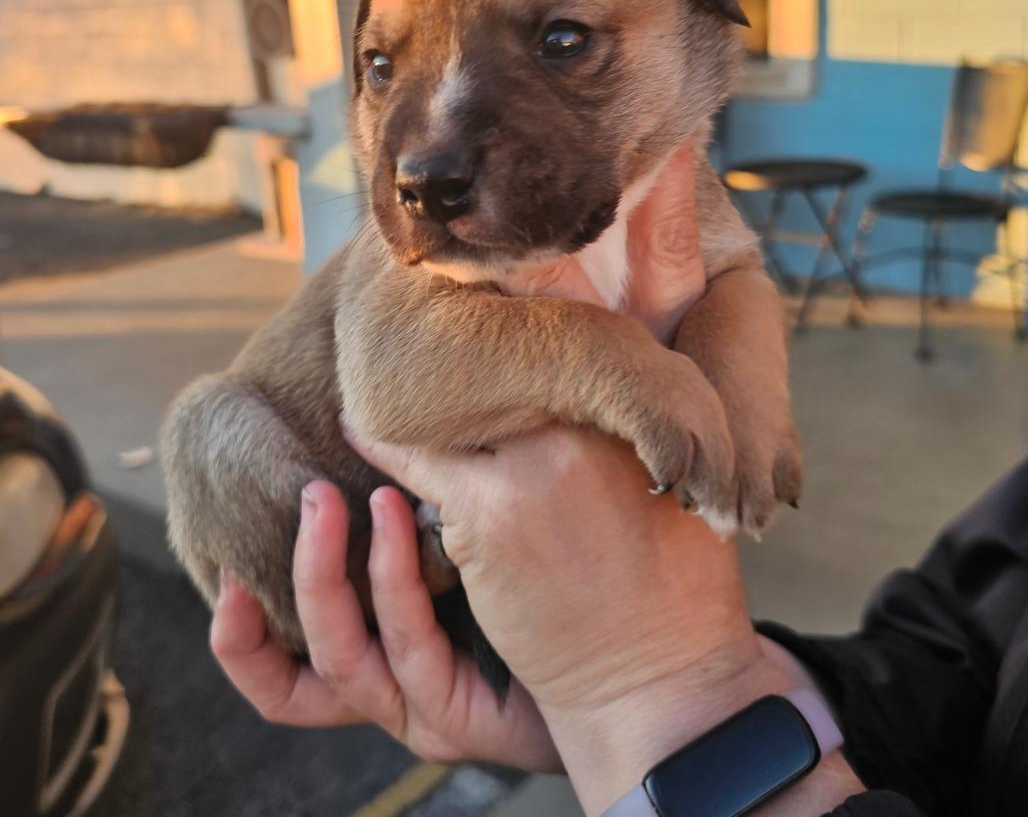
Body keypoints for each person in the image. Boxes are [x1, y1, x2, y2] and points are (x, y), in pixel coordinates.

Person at [209, 145, 1026, 816]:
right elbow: (961, 651)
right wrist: (725, 687)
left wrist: (657, 698)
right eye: (382, 68)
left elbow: (732, 273)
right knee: (215, 435)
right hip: (340, 509)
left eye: (564, 41)